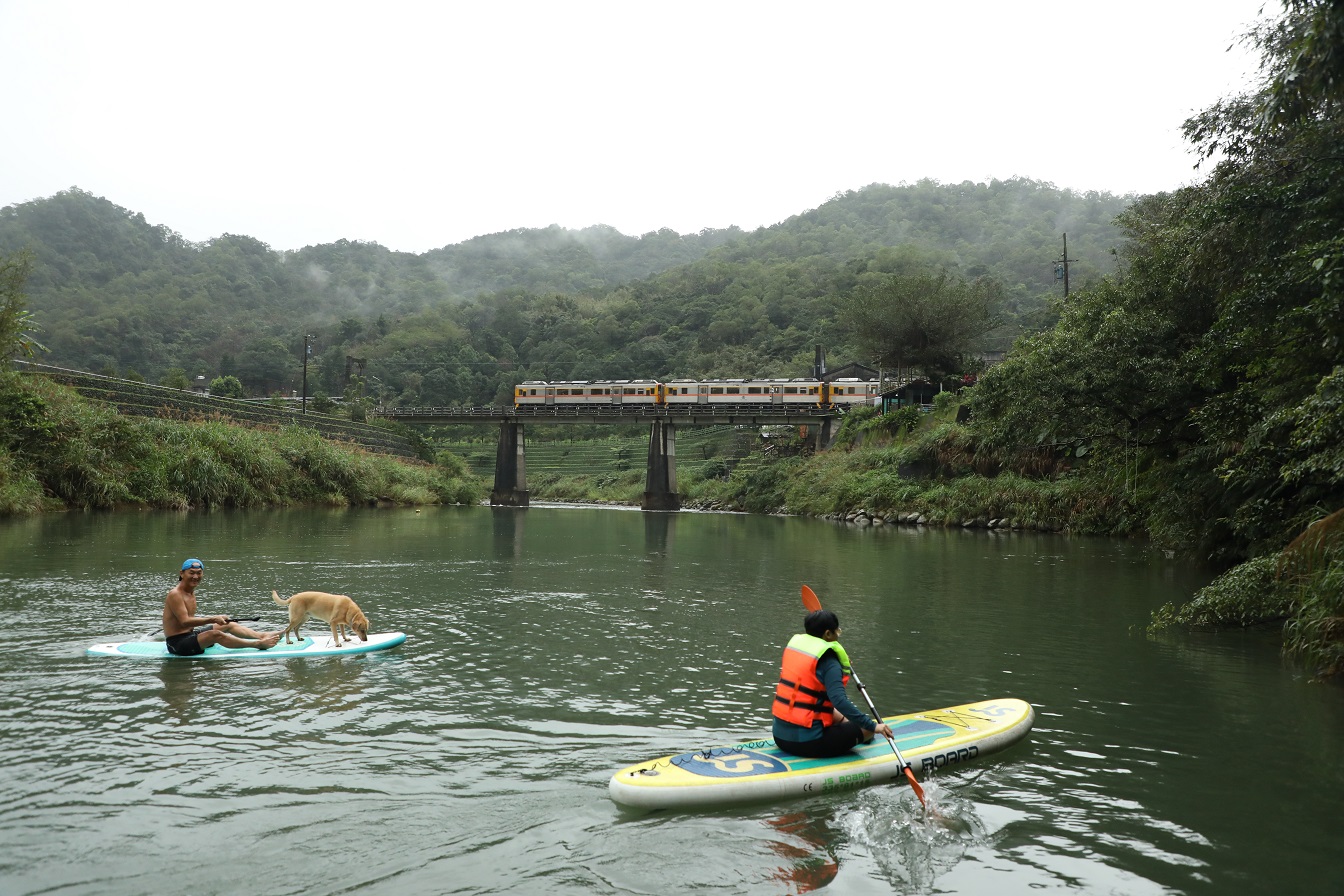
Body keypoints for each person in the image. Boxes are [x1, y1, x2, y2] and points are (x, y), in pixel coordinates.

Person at [772, 609, 893, 758]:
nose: (838, 634)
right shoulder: (830, 662)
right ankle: (862, 734)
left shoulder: (797, 649)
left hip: (779, 737)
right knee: (868, 729)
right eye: (838, 631)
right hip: (808, 744)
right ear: (828, 634)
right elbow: (839, 700)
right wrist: (873, 726)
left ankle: (849, 729)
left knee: (831, 710)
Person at [162, 558, 280, 655]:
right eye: (191, 573)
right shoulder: (175, 594)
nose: (195, 576)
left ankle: (261, 636)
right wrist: (213, 619)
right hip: (177, 644)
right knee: (215, 635)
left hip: (190, 635)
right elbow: (184, 622)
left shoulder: (190, 593)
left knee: (228, 624)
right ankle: (258, 644)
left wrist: (217, 619)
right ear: (182, 573)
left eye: (199, 573)